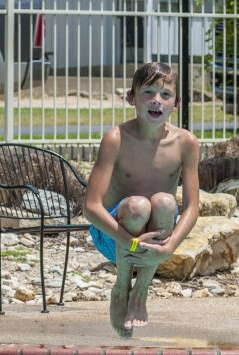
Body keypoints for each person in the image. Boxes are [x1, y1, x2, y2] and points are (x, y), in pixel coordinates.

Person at [83, 62, 200, 337]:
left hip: (157, 237)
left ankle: (142, 290)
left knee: (165, 202)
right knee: (138, 205)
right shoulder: (116, 138)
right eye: (148, 92)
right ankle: (122, 285)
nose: (156, 101)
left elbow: (193, 207)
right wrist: (131, 241)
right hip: (113, 234)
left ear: (176, 103)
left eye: (165, 95)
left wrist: (171, 247)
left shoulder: (186, 143)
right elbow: (90, 208)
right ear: (131, 98)